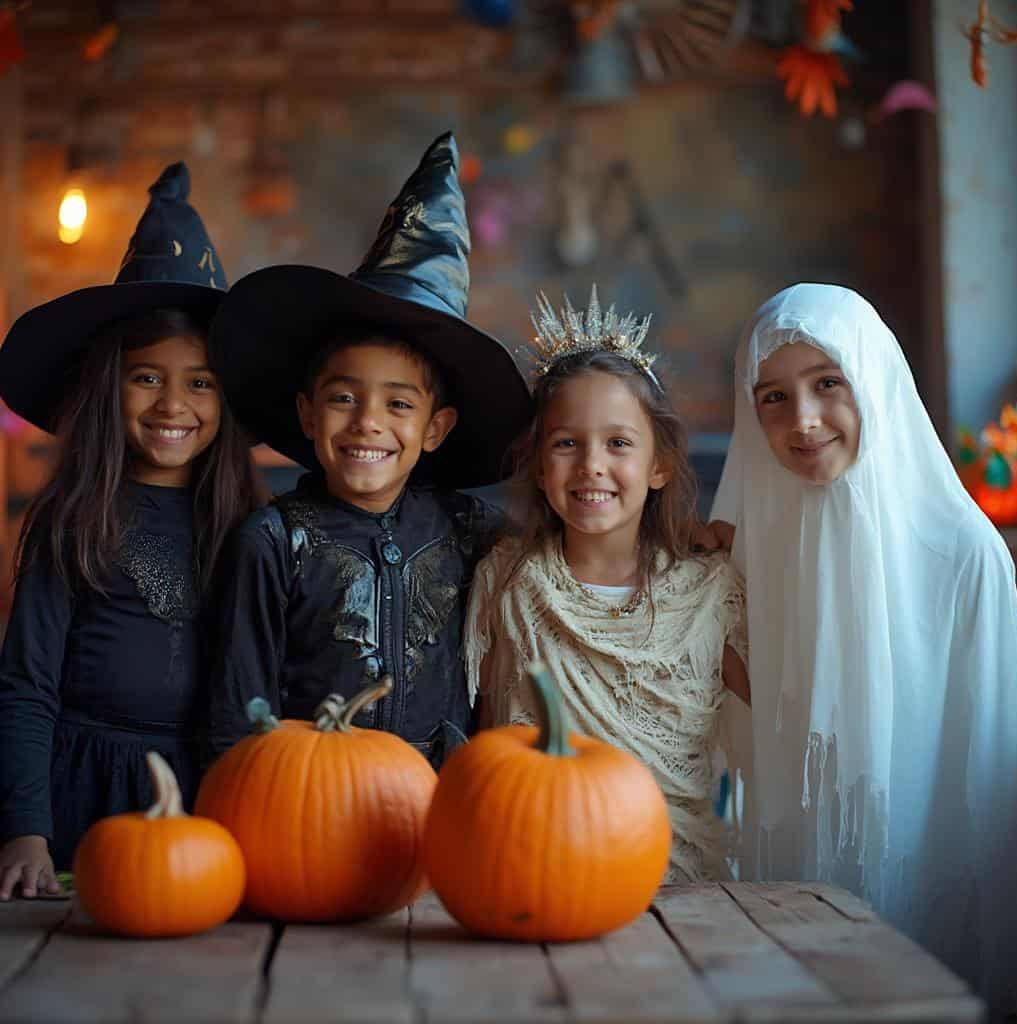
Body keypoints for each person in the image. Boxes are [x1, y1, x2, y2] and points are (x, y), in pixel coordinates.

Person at [711, 282, 1017, 1016]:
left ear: (876, 382)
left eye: (829, 384)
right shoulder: (743, 557)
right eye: (773, 398)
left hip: (934, 901)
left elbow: (994, 775)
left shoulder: (963, 557)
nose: (804, 420)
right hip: (784, 901)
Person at [204, 133, 532, 768]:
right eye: (344, 398)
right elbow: (234, 712)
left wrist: (686, 539)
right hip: (308, 799)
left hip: (441, 803)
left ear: (436, 428)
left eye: (399, 404)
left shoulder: (474, 532)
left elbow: (569, 565)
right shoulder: (272, 541)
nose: (367, 424)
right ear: (306, 412)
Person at [0, 163, 266, 898]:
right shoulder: (75, 518)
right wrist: (26, 826)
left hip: (211, 794)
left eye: (200, 382)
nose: (172, 403)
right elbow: (26, 682)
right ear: (106, 387)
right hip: (81, 788)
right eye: (147, 377)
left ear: (227, 400)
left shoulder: (255, 528)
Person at [466, 288, 750, 882]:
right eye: (566, 443)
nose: (591, 464)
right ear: (540, 467)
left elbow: (784, 708)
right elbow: (487, 733)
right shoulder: (508, 583)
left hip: (680, 882)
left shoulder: (710, 592)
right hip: (536, 867)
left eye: (618, 443)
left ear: (659, 466)